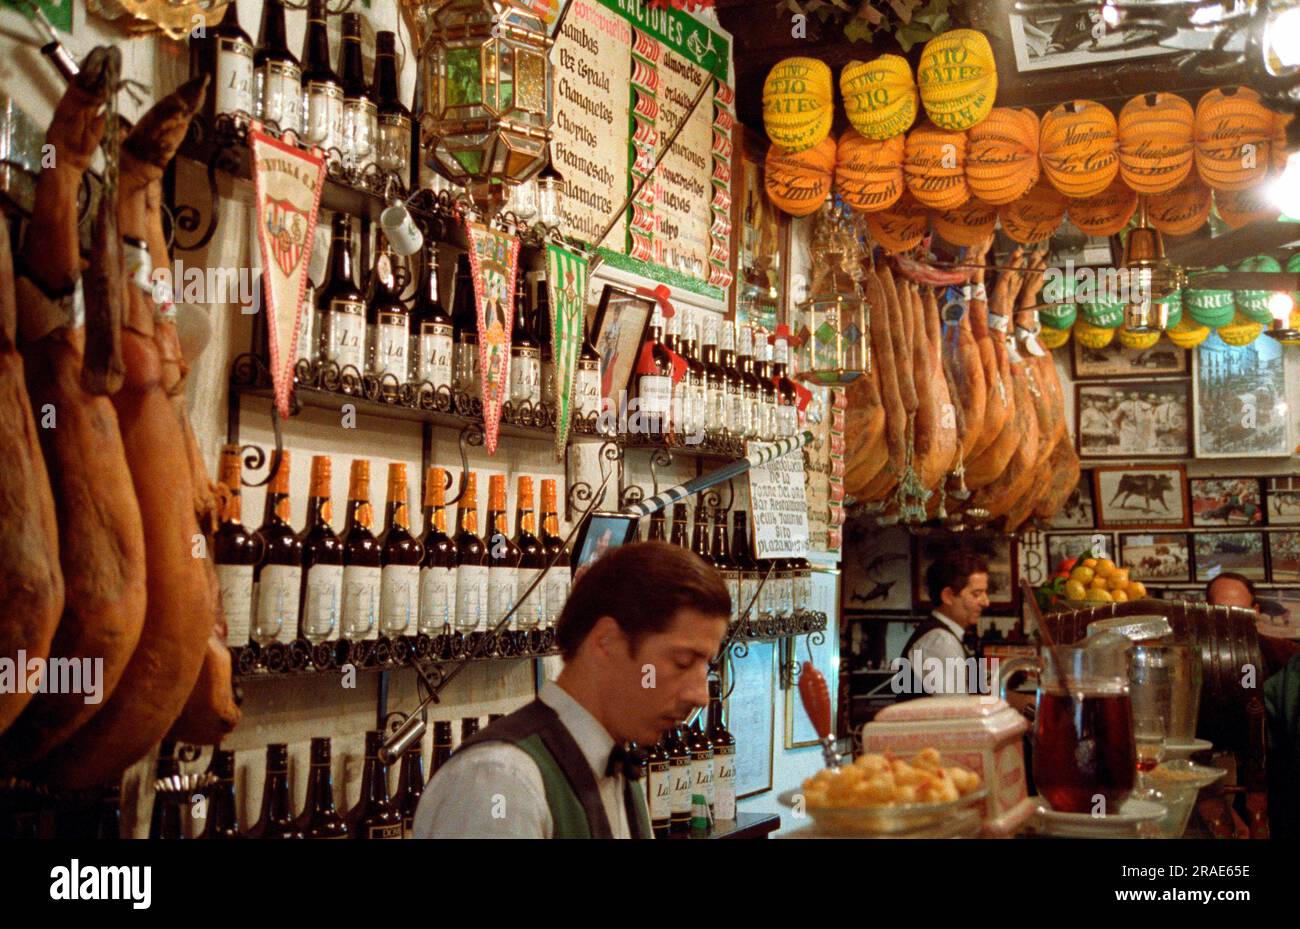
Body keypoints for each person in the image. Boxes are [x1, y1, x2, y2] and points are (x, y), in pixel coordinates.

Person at [412, 541, 730, 838]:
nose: (700, 695)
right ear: (606, 643)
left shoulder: (616, 766)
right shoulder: (500, 780)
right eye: (683, 661)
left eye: (707, 666)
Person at [895, 552, 990, 697]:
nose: (986, 602)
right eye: (977, 594)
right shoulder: (940, 641)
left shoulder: (945, 637)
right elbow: (956, 711)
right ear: (948, 596)